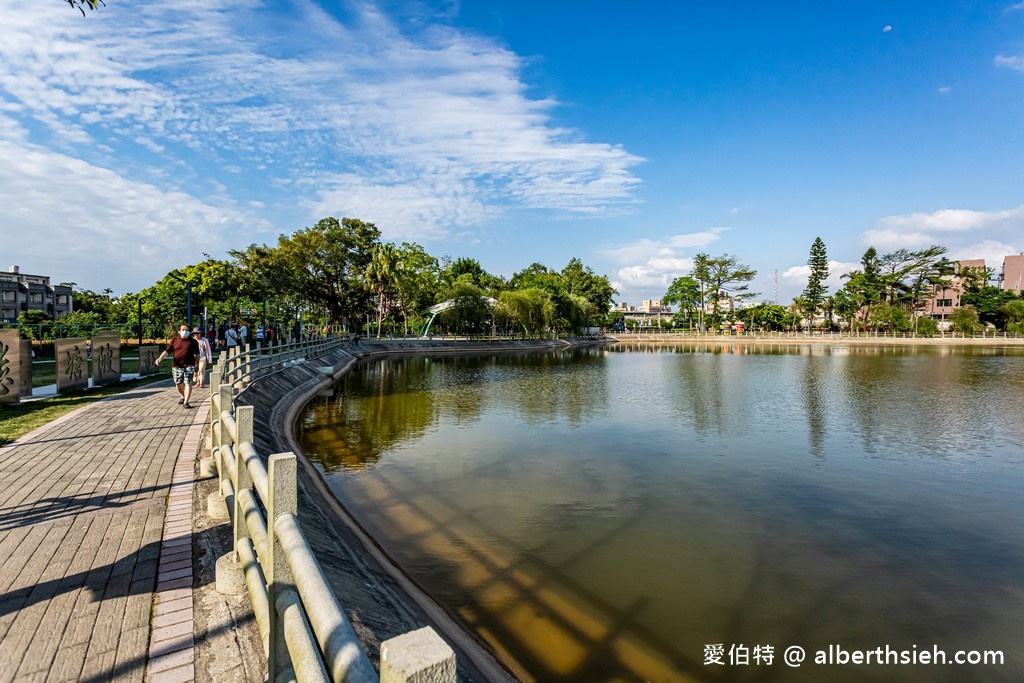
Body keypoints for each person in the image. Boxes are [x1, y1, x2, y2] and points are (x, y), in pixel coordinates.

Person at [155, 324, 200, 409]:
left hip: (189, 365)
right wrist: (160, 358)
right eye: (183, 330)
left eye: (187, 330)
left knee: (188, 383)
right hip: (177, 365)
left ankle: (186, 402)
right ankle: (183, 396)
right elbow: (167, 351)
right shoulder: (174, 340)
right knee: (178, 383)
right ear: (179, 331)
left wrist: (197, 365)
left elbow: (197, 355)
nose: (185, 332)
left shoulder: (193, 342)